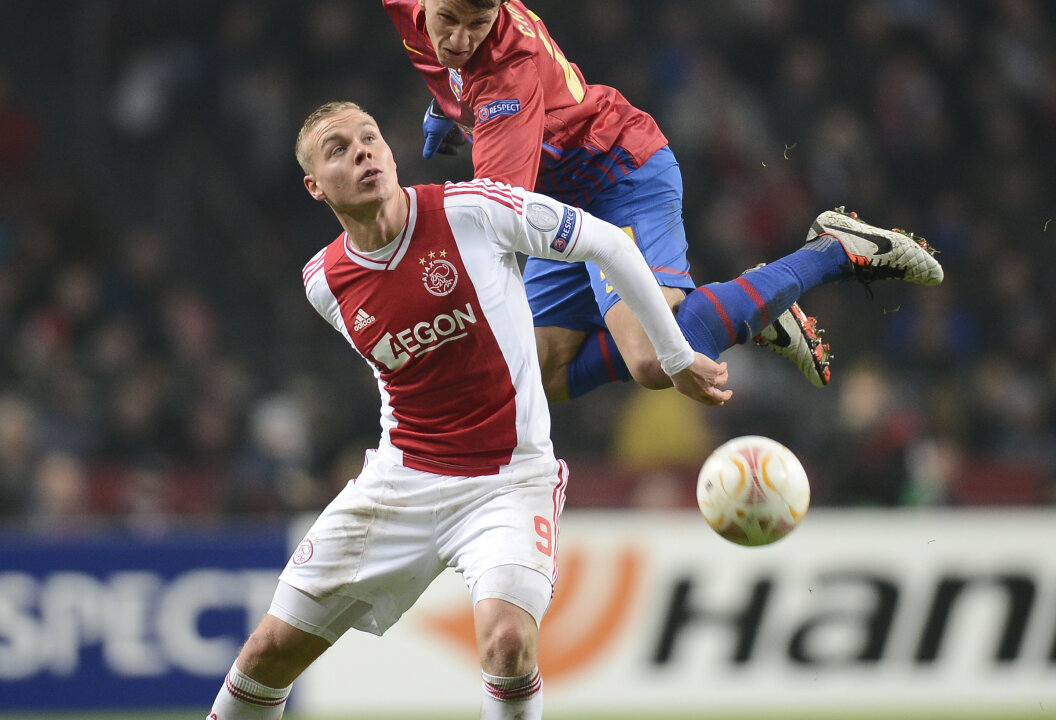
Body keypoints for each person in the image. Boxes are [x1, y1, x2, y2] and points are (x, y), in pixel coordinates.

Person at [205, 100, 731, 720]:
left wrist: (675, 357)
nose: (363, 152)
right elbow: (402, 378)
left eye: (370, 137)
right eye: (339, 149)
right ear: (315, 186)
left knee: (508, 644)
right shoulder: (324, 282)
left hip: (509, 480)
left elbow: (609, 244)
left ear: (390, 151)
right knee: (266, 653)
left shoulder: (473, 210)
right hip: (402, 480)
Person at [383, 0, 941, 401]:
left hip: (617, 177)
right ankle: (744, 310)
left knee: (654, 360)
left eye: (478, 24)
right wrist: (445, 108)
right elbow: (456, 74)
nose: (460, 40)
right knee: (540, 373)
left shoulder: (509, 73)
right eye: (448, 19)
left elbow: (495, 219)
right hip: (560, 201)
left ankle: (834, 250)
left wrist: (415, 288)